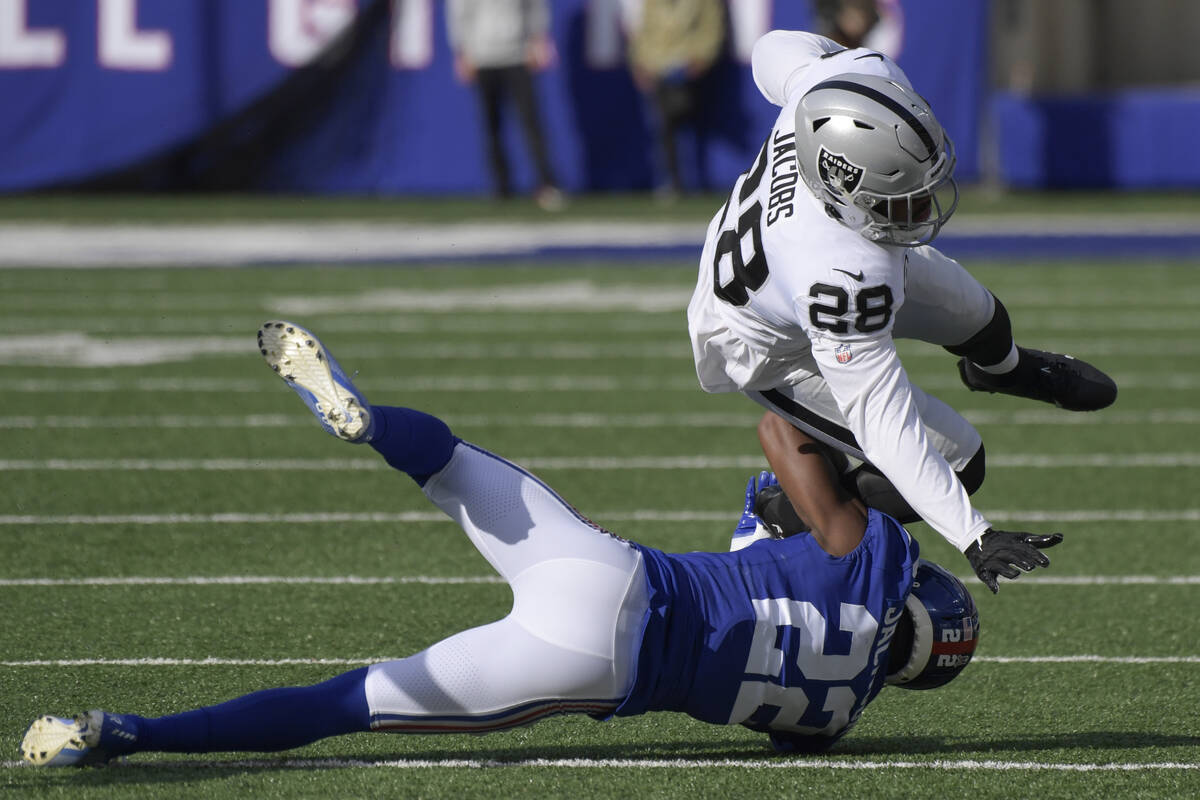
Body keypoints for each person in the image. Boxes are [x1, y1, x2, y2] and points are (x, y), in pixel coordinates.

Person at [20, 320, 1031, 767]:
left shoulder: (872, 557)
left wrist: (856, 461)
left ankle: (370, 423)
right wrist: (798, 508)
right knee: (344, 704)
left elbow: (778, 442)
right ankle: (123, 733)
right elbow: (772, 563)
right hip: (593, 663)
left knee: (446, 456)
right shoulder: (835, 717)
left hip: (611, 570)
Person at [686, 30, 1112, 593]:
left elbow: (773, 49)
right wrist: (972, 533)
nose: (925, 205)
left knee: (981, 318)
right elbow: (885, 424)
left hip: (838, 246)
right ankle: (778, 510)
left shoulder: (849, 83)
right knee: (960, 461)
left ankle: (1000, 369)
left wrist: (831, 54)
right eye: (904, 196)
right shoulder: (836, 274)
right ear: (843, 189)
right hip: (767, 344)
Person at [447, 0, 565, 211]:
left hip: (518, 52)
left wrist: (538, 39)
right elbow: (459, 11)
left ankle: (546, 183)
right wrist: (462, 51)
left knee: (531, 121)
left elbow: (535, 6)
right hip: (482, 54)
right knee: (491, 125)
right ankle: (501, 187)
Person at [625, 0, 726, 199]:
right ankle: (671, 181)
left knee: (685, 122)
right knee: (663, 126)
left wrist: (701, 57)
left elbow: (711, 27)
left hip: (686, 67)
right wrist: (640, 62)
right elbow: (644, 30)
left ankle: (695, 181)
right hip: (658, 67)